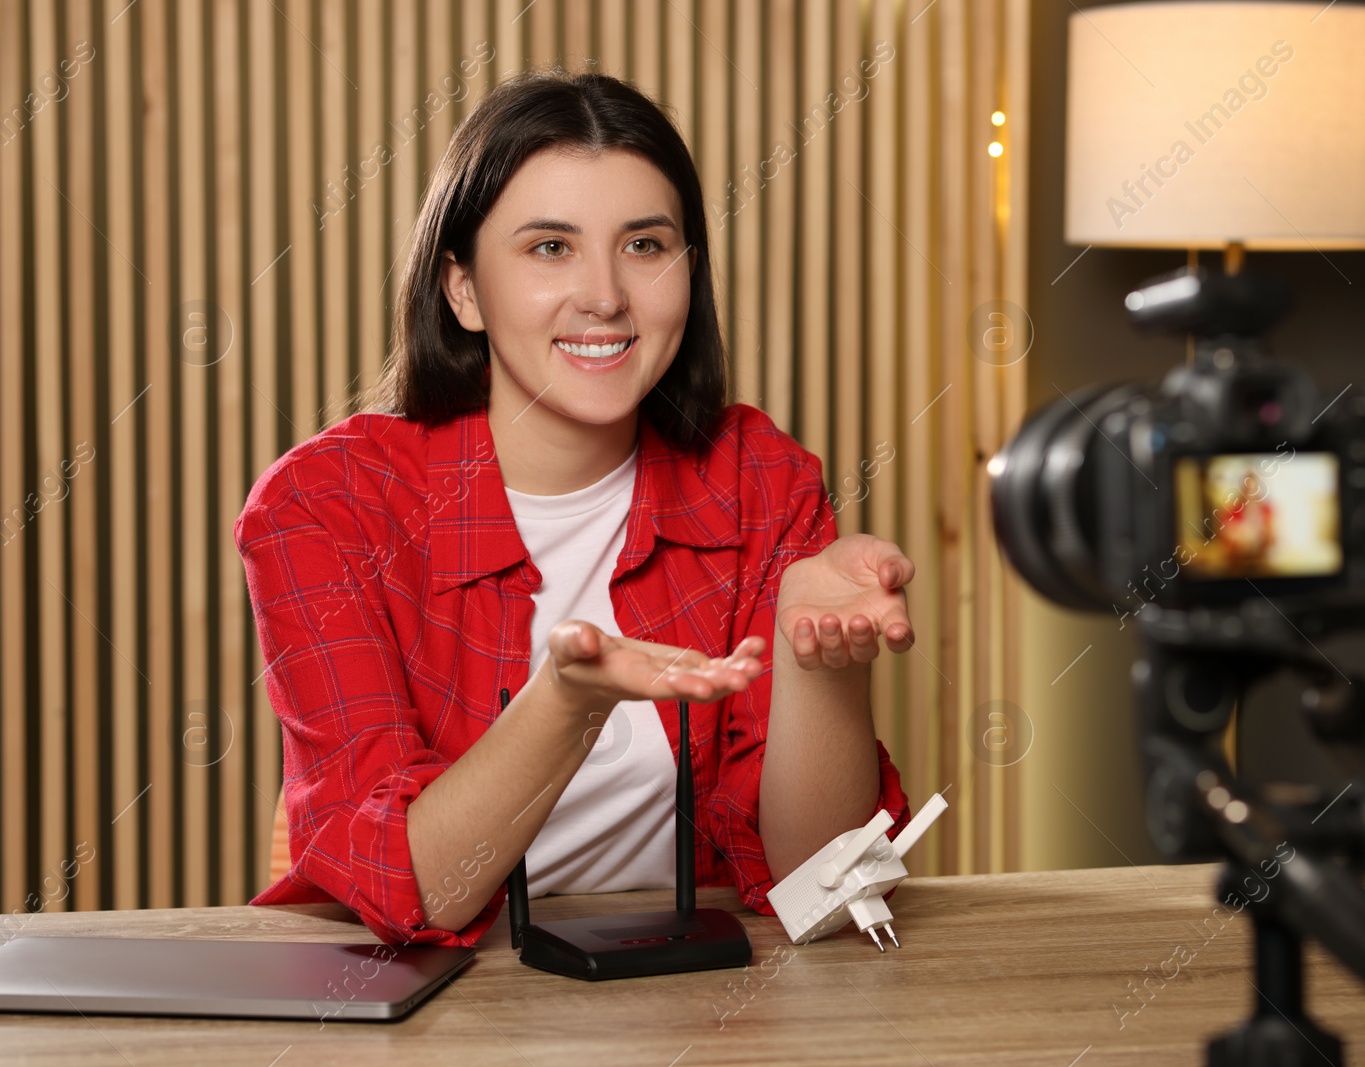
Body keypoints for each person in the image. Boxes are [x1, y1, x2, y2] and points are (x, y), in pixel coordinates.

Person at [236, 70, 918, 947]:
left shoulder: (760, 480)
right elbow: (416, 890)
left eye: (644, 245)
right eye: (550, 247)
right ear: (464, 291)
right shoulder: (326, 505)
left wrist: (821, 662)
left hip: (694, 1015)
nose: (605, 295)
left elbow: (814, 886)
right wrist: (565, 701)